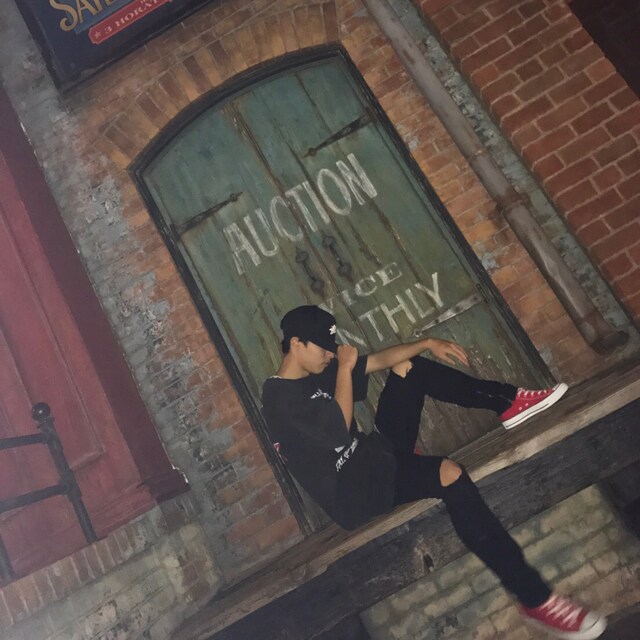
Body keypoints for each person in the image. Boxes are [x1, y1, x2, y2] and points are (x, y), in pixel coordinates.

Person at [261, 305, 607, 640]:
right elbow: (338, 430)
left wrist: (427, 343)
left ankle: (507, 402)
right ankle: (537, 600)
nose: (330, 354)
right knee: (449, 474)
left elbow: (379, 360)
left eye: (332, 348)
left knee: (407, 368)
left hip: (373, 458)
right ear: (296, 344)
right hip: (356, 492)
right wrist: (343, 369)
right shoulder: (277, 397)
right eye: (324, 348)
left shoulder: (316, 370)